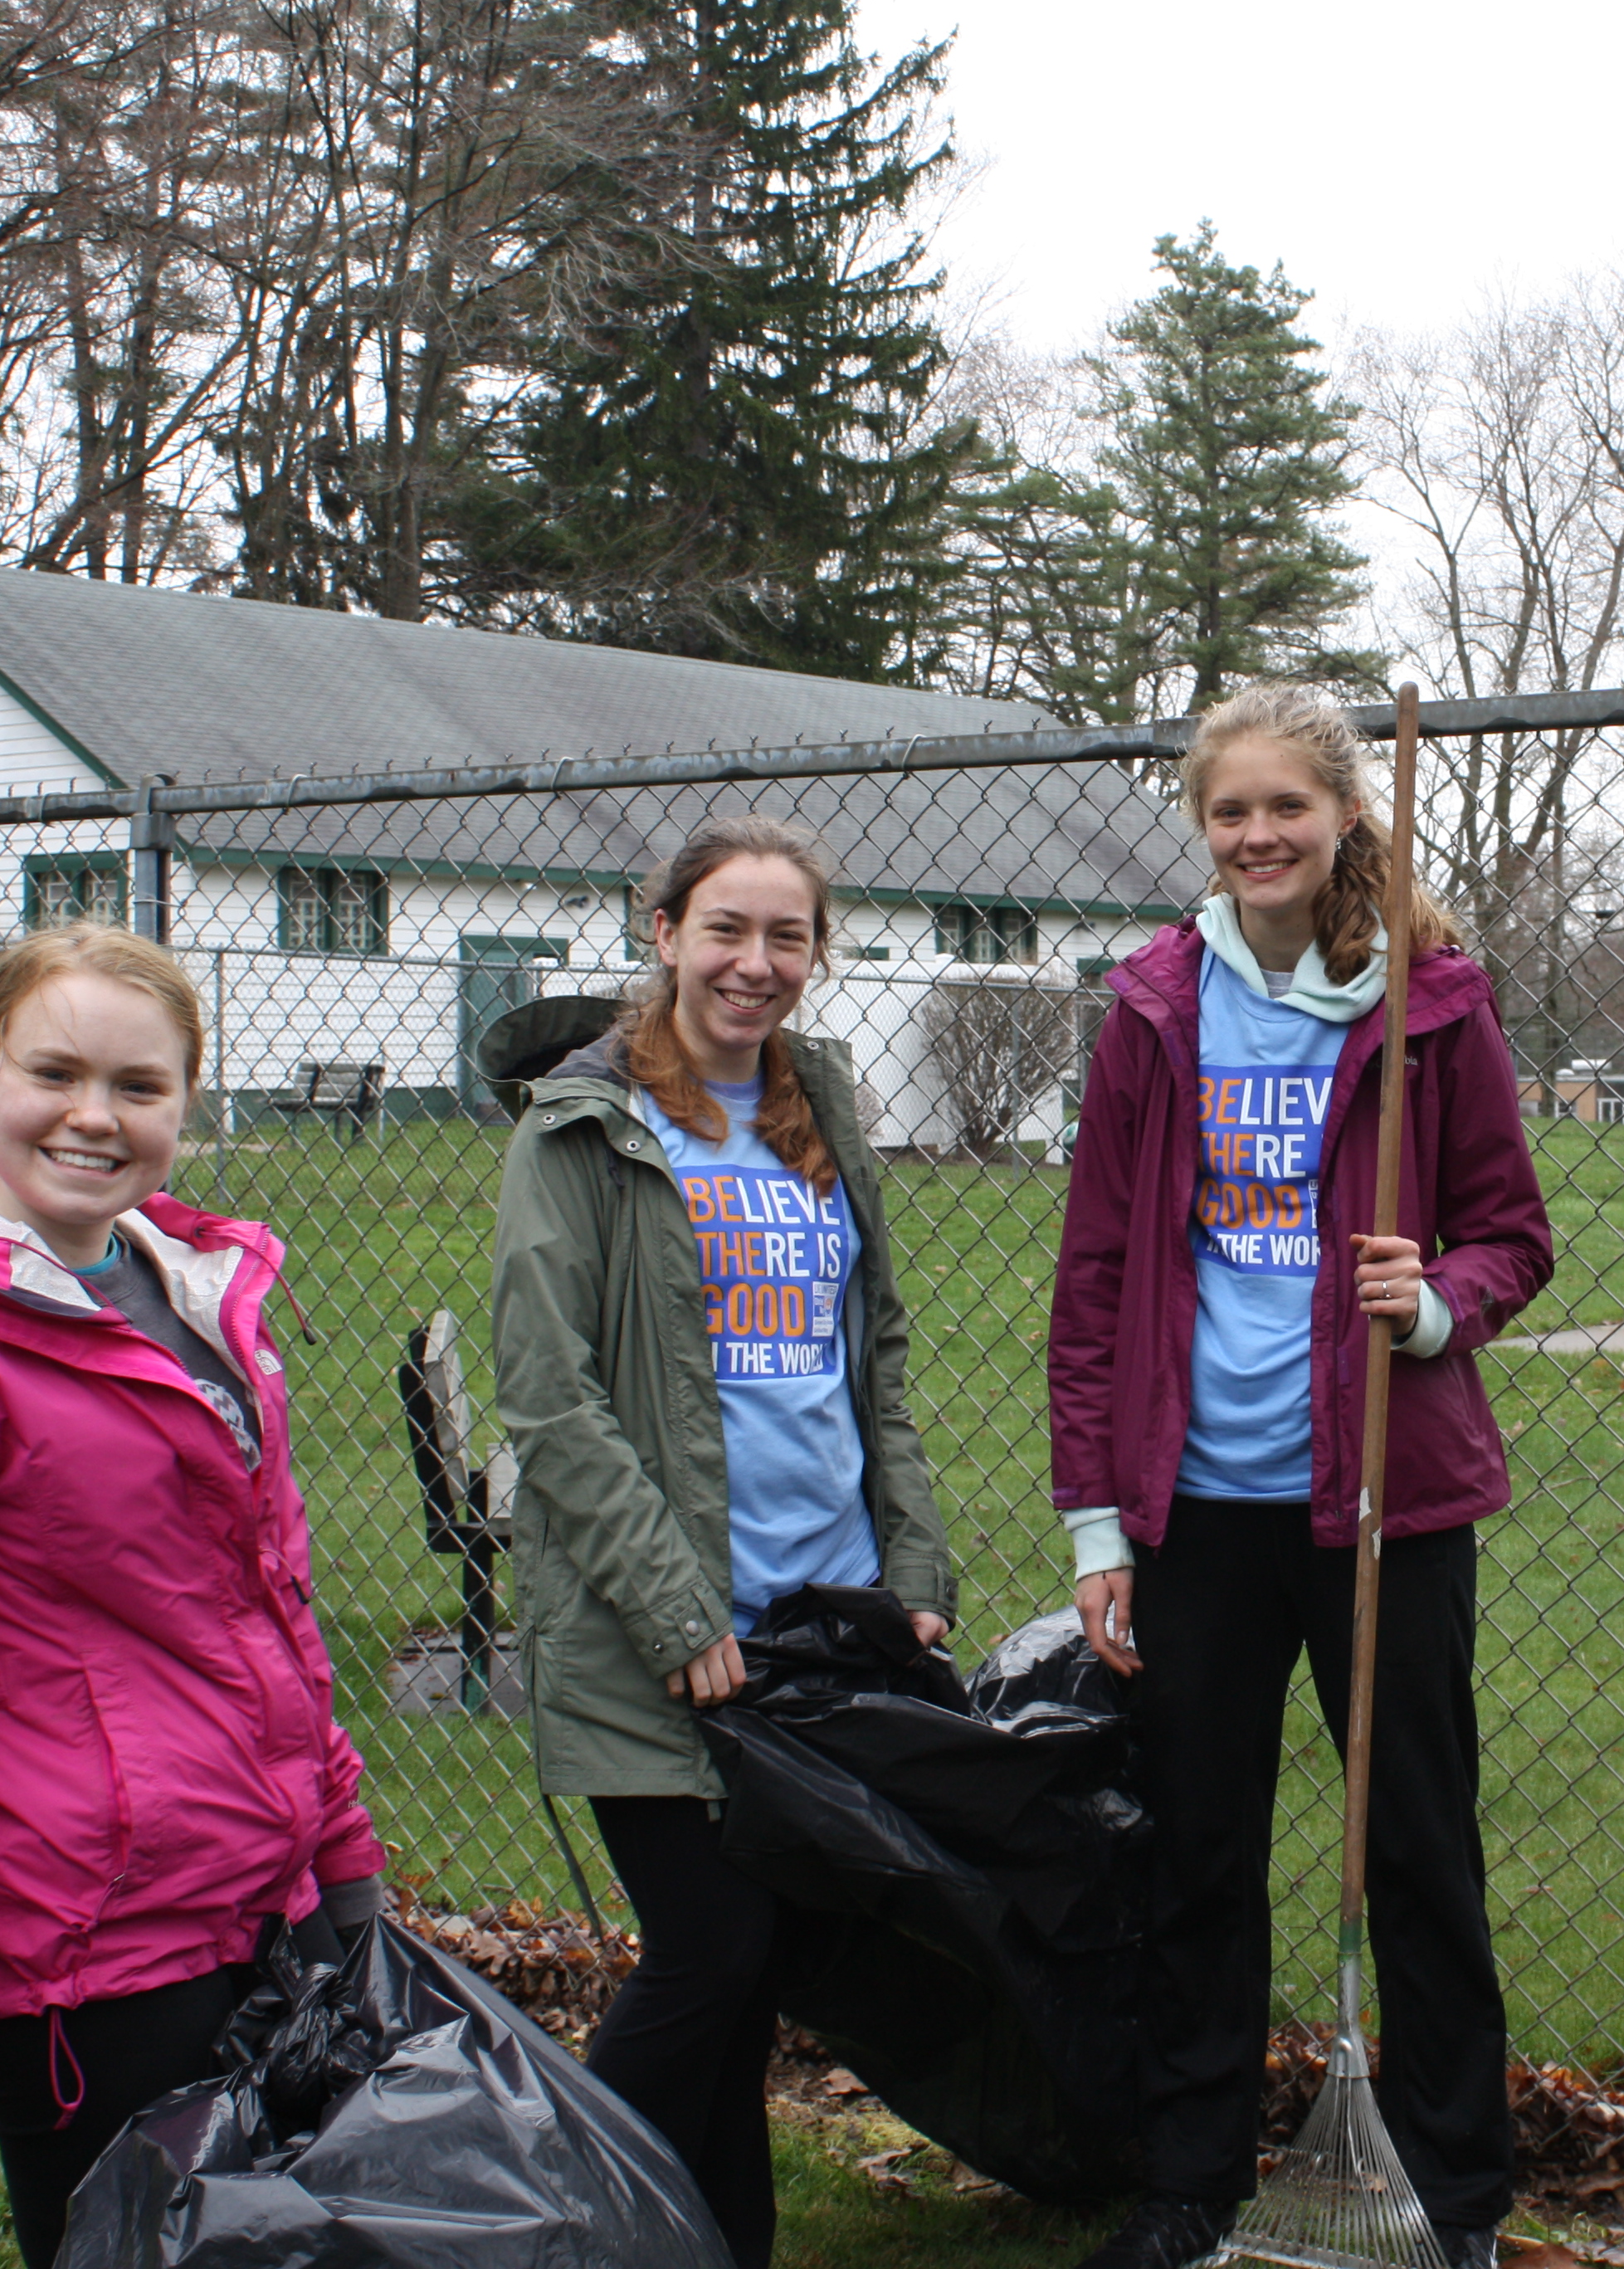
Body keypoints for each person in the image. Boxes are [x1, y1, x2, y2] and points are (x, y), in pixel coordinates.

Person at [0, 922, 382, 2269]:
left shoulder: (193, 1303)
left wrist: (339, 1855)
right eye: (55, 1073)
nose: (93, 1118)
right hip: (81, 1962)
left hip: (255, 1912)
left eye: (139, 1087)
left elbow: (261, 1617)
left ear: (186, 1107)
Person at [1050, 685, 1558, 2269]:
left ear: (1344, 813)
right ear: (1202, 829)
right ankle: (1194, 2174)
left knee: (1415, 1846)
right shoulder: (1152, 1010)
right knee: (1197, 1847)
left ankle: (1454, 2191)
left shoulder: (1431, 1007)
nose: (1258, 835)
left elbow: (1513, 1237)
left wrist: (1439, 1305)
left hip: (1385, 1506)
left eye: (1287, 807)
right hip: (1195, 1505)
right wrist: (1096, 1523)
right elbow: (1098, 1282)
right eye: (1229, 812)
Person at [490, 814, 956, 2267]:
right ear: (665, 934)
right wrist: (679, 1609)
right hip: (665, 1627)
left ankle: (718, 2243)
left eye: (788, 936)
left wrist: (913, 1576)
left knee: (749, 1983)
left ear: (817, 952)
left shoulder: (823, 1104)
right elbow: (549, 1399)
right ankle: (522, 2227)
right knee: (713, 1951)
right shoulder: (582, 1123)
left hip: (819, 1620)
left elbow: (868, 1355)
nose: (755, 965)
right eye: (727, 931)